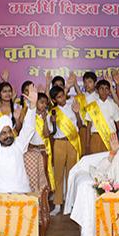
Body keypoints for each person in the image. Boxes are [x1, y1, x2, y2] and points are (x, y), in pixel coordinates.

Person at [19, 91, 52, 236]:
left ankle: (44, 199)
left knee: (44, 176)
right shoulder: (29, 117)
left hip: (44, 150)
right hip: (32, 151)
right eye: (40, 102)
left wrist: (45, 120)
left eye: (45, 103)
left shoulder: (46, 117)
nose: (43, 105)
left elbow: (46, 134)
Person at [48, 85, 83, 215]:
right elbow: (51, 132)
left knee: (72, 174)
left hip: (72, 142)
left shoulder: (73, 106)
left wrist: (77, 113)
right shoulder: (52, 111)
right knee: (58, 174)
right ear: (54, 99)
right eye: (58, 97)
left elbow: (80, 125)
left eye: (63, 95)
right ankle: (57, 204)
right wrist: (52, 122)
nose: (62, 98)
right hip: (59, 144)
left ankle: (71, 203)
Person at [84, 79, 119, 154]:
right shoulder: (91, 106)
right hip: (96, 137)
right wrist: (87, 144)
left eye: (106, 89)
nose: (104, 91)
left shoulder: (114, 105)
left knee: (110, 162)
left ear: (109, 91)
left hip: (111, 138)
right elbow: (88, 127)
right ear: (97, 91)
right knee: (96, 163)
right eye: (101, 88)